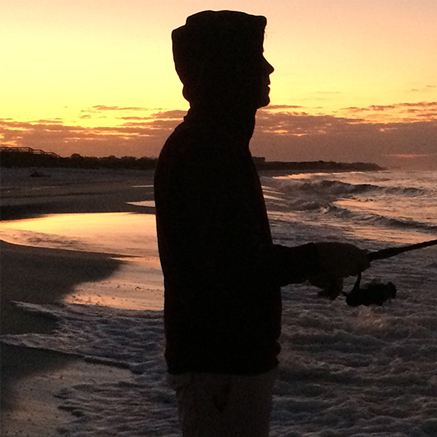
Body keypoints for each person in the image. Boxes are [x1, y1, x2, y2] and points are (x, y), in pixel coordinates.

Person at [154, 10, 370, 436]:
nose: (268, 69)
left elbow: (227, 258)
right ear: (224, 71)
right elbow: (233, 267)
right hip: (221, 366)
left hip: (225, 364)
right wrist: (317, 257)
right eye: (255, 58)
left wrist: (310, 269)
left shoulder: (215, 143)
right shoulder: (206, 150)